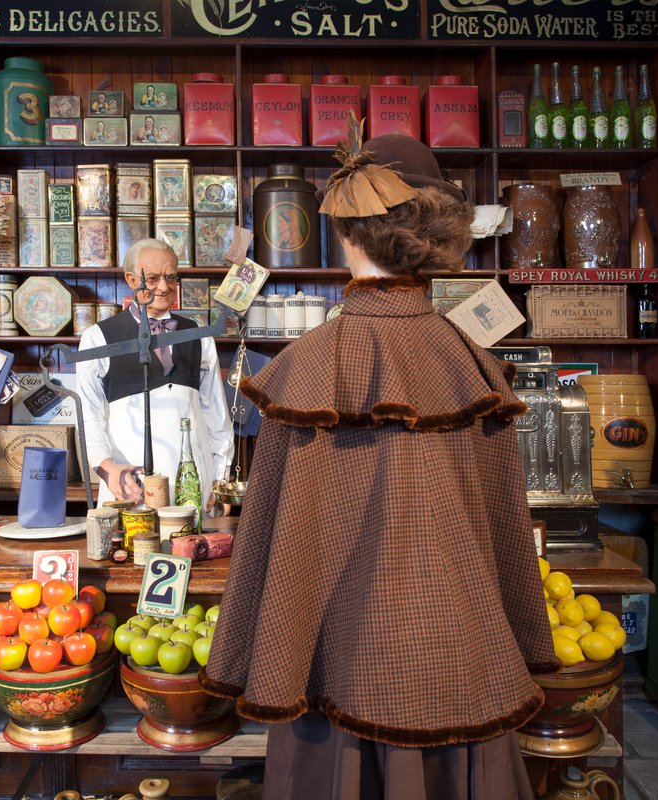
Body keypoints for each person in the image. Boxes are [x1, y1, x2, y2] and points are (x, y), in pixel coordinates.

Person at [200, 135, 559, 800]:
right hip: (463, 666)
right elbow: (507, 532)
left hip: (333, 669)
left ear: (345, 231)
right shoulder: (473, 365)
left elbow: (271, 544)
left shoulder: (306, 367)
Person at [76, 238, 233, 505]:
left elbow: (215, 411)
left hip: (194, 485)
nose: (163, 287)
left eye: (171, 278)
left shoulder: (199, 336)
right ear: (130, 278)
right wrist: (107, 467)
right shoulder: (98, 338)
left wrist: (220, 477)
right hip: (129, 484)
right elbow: (88, 417)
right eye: (152, 278)